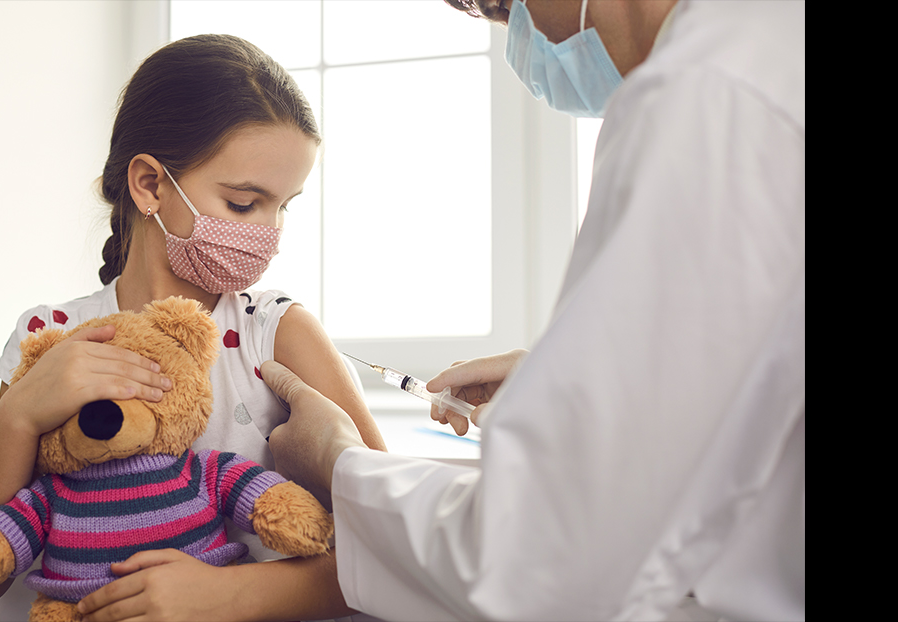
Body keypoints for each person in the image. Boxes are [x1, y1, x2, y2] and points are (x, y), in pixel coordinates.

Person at [261, 0, 804, 620]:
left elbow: (541, 560)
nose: (522, 36)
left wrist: (338, 461)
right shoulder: (771, 48)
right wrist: (571, 385)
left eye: (501, 8)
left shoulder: (709, 95)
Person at [0, 34, 386, 622]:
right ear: (150, 184)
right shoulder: (49, 335)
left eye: (284, 206)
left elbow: (388, 549)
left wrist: (228, 595)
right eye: (243, 204)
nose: (271, 233)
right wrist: (20, 414)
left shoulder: (276, 331)